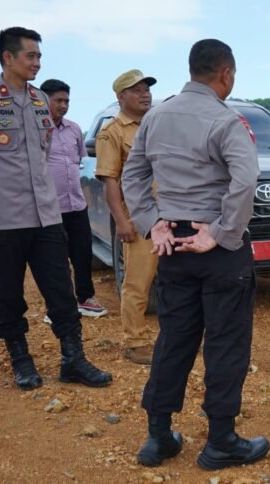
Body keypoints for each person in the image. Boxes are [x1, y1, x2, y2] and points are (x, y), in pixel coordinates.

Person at [122, 39, 269, 470]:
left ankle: (158, 437)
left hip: (173, 243)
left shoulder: (156, 116)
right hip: (217, 247)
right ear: (226, 73)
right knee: (226, 342)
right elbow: (245, 181)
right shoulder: (225, 119)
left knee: (174, 338)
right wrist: (222, 232)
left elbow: (134, 174)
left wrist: (152, 222)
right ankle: (221, 441)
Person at [0, 27, 111, 391]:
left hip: (46, 213)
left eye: (39, 56)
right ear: (8, 57)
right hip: (4, 216)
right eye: (31, 56)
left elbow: (43, 151)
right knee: (8, 292)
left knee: (61, 288)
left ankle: (73, 359)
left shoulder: (40, 100)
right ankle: (21, 359)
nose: (37, 62)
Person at [95, 69, 158, 365]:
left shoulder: (157, 124)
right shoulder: (112, 132)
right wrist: (121, 221)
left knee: (176, 281)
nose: (145, 94)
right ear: (121, 97)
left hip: (170, 214)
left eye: (147, 89)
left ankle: (178, 338)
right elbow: (110, 181)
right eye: (137, 90)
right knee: (137, 282)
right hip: (139, 217)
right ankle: (136, 342)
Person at [39, 79, 108, 320]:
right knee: (54, 258)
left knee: (82, 253)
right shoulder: (35, 130)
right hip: (50, 207)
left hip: (77, 204)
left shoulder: (74, 130)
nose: (63, 105)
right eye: (58, 100)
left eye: (66, 101)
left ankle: (85, 298)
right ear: (43, 101)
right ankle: (57, 306)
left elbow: (81, 161)